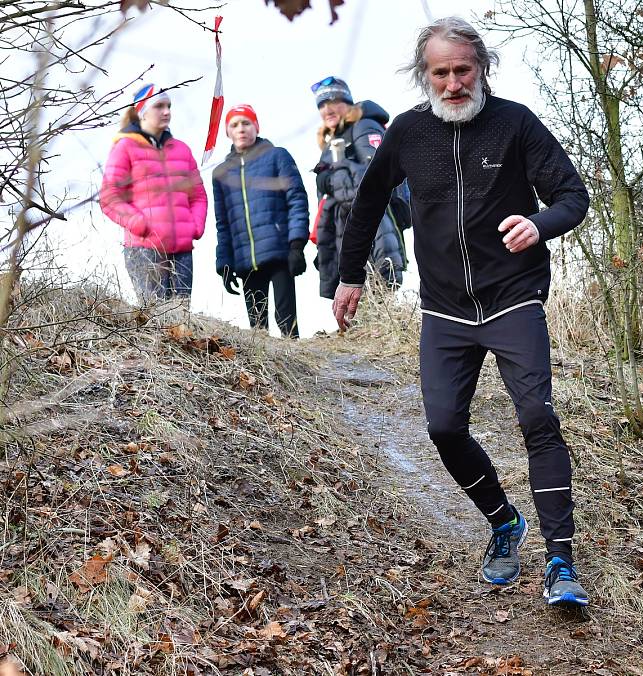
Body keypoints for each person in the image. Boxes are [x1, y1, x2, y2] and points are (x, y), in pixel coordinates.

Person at [333, 18, 591, 607]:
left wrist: (538, 223)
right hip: (445, 310)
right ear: (424, 76)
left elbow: (572, 196)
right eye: (440, 72)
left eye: (461, 70)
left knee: (536, 418)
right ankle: (503, 522)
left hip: (513, 298)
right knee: (444, 425)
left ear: (483, 69)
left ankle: (560, 560)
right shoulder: (407, 133)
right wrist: (350, 277)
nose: (452, 83)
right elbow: (368, 201)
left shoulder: (516, 124)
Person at [100, 83, 207, 304]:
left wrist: (194, 226)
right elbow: (109, 197)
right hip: (145, 249)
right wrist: (140, 224)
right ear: (142, 112)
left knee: (182, 324)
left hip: (182, 251)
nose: (167, 111)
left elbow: (198, 196)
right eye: (159, 106)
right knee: (155, 320)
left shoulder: (182, 150)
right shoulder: (125, 147)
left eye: (168, 106)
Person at [212, 104, 309, 337]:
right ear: (228, 132)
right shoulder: (222, 174)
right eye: (234, 125)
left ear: (256, 126)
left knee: (287, 324)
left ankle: (297, 365)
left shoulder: (277, 156)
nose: (241, 129)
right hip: (245, 259)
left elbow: (297, 199)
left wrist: (296, 245)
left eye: (246, 123)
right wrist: (223, 262)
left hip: (279, 252)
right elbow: (222, 222)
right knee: (258, 331)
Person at [310, 76, 408, 300]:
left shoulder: (365, 125)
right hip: (343, 226)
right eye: (322, 105)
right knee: (354, 295)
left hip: (374, 223)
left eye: (334, 101)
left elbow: (375, 177)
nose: (328, 109)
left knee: (379, 288)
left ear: (348, 102)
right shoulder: (332, 141)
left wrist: (331, 177)